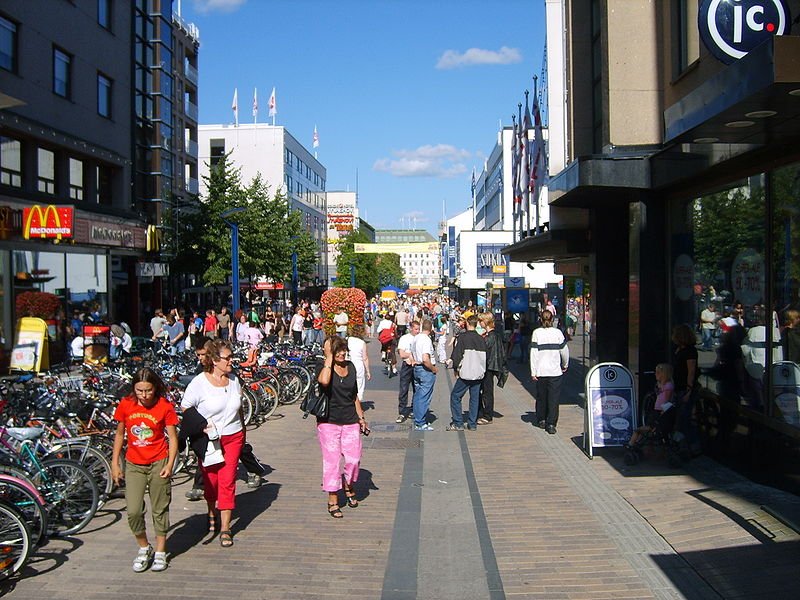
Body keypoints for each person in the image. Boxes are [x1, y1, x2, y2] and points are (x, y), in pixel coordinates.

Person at [111, 367, 178, 572]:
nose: (144, 395)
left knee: (160, 508)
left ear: (155, 388)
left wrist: (169, 464)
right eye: (140, 390)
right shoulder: (126, 404)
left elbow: (173, 438)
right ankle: (143, 547)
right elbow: (120, 435)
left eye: (148, 390)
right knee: (133, 510)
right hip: (134, 463)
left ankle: (160, 550)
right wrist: (115, 463)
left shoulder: (164, 406)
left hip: (158, 460)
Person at [181, 339, 244, 548]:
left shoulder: (234, 380)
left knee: (227, 481)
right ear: (215, 360)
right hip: (208, 441)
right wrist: (202, 425)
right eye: (228, 358)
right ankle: (211, 510)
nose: (232, 361)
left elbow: (240, 408)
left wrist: (242, 430)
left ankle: (225, 528)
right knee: (211, 482)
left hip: (233, 437)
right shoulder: (199, 383)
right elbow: (186, 407)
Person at [316, 336, 368, 518]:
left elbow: (354, 396)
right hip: (329, 422)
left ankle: (348, 484)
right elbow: (323, 382)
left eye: (344, 349)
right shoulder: (323, 368)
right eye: (338, 349)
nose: (342, 353)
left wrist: (361, 418)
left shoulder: (351, 367)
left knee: (353, 459)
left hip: (350, 420)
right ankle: (333, 499)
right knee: (332, 462)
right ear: (330, 351)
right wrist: (329, 359)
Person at [530, 310, 569, 434]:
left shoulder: (537, 333)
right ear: (552, 320)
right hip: (555, 371)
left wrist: (533, 371)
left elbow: (534, 353)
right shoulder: (557, 333)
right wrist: (565, 364)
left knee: (541, 397)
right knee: (553, 398)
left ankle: (541, 419)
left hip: (541, 371)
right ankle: (551, 423)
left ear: (540, 319)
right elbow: (564, 351)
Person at [447, 315, 487, 431]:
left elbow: (457, 355)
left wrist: (456, 369)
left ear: (468, 324)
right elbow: (486, 357)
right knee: (474, 398)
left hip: (466, 372)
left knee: (455, 396)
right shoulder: (481, 339)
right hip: (478, 373)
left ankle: (458, 422)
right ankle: (472, 423)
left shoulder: (463, 338)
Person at [627, 363, 675, 447]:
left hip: (661, 412)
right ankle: (634, 444)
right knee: (646, 428)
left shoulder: (668, 386)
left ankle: (632, 444)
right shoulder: (661, 386)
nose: (656, 374)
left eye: (658, 372)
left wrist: (664, 411)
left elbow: (667, 401)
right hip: (657, 410)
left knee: (645, 429)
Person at [671, 324, 700, 451]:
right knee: (680, 416)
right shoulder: (679, 349)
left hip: (685, 387)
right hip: (678, 386)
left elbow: (691, 371)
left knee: (685, 418)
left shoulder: (690, 351)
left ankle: (691, 445)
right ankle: (682, 444)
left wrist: (689, 389)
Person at [478, 313, 506, 425]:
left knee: (487, 391)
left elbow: (484, 349)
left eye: (481, 321)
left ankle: (487, 415)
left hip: (488, 366)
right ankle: (483, 411)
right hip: (491, 365)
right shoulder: (494, 334)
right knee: (485, 390)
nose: (479, 323)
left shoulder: (491, 336)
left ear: (485, 322)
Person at [411, 319, 438, 431]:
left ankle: (417, 417)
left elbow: (412, 353)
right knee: (424, 396)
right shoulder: (426, 340)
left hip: (417, 368)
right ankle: (420, 422)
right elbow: (425, 359)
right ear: (431, 329)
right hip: (425, 369)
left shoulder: (416, 338)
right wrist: (433, 368)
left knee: (418, 395)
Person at [396, 320, 420, 423]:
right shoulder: (404, 338)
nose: (418, 331)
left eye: (419, 329)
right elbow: (401, 353)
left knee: (417, 389)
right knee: (404, 389)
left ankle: (414, 410)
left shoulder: (421, 338)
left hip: (417, 365)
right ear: (410, 328)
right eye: (416, 329)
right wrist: (409, 355)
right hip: (407, 365)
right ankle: (402, 412)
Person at [347, 331, 371, 405]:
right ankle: (358, 403)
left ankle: (348, 401)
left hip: (348, 364)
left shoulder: (347, 340)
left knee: (348, 384)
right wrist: (368, 371)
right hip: (358, 365)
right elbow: (365, 358)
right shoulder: (362, 343)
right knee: (359, 385)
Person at [377, 312, 398, 377]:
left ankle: (383, 353)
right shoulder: (393, 324)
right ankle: (394, 368)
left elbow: (378, 330)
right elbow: (395, 332)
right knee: (393, 352)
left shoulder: (382, 322)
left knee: (384, 342)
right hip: (391, 339)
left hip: (385, 339)